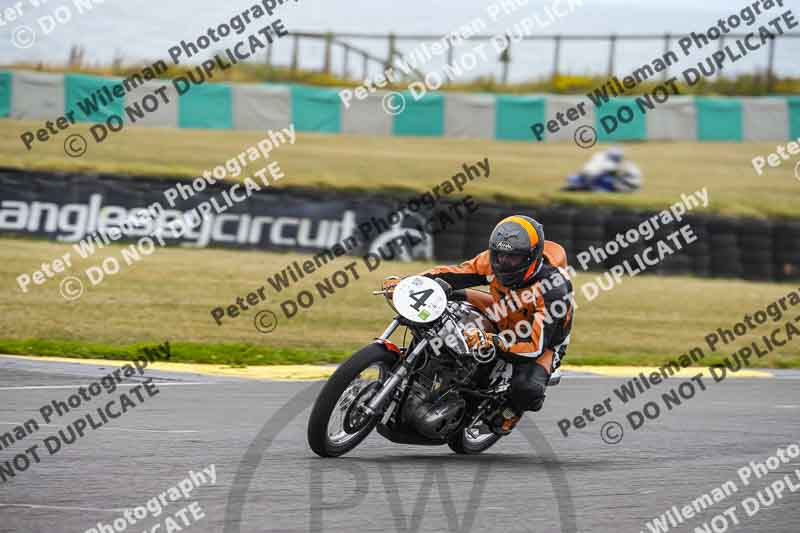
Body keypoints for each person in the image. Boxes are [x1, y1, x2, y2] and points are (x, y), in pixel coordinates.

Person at [382, 215, 574, 435]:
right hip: (501, 311)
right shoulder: (490, 261)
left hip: (540, 339)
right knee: (446, 293)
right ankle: (424, 361)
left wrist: (493, 340)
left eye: (512, 258)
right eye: (499, 255)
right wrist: (408, 284)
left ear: (532, 257)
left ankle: (511, 412)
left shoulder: (554, 289)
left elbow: (534, 346)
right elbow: (452, 274)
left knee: (527, 389)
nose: (503, 263)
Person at [564, 146, 642, 192]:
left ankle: (589, 187)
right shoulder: (622, 164)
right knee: (601, 179)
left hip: (627, 186)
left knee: (600, 182)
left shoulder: (615, 165)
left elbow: (606, 173)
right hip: (630, 185)